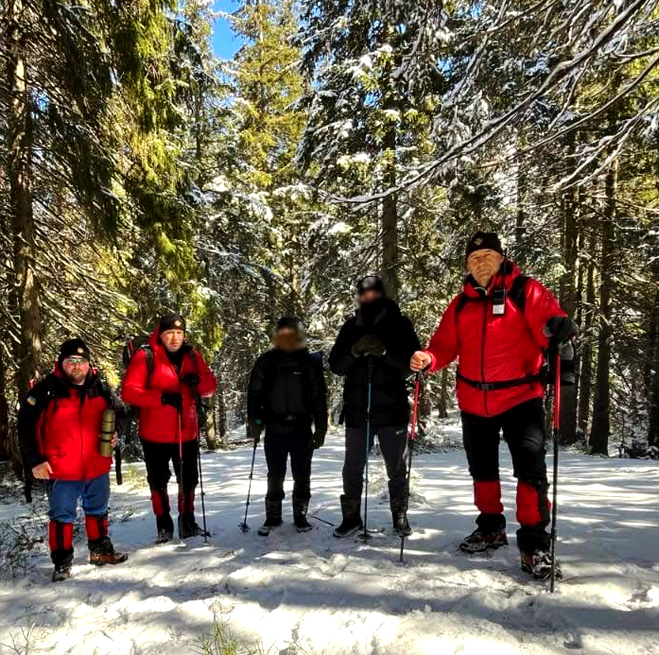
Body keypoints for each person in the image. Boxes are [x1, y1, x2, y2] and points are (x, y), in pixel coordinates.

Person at [410, 231, 576, 580]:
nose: (480, 262)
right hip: (474, 400)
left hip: (521, 397)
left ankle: (534, 546)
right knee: (482, 470)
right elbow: (444, 344)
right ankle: (490, 528)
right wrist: (429, 357)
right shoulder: (460, 304)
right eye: (473, 258)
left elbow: (549, 319)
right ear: (467, 267)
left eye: (487, 255)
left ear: (502, 258)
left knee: (530, 472)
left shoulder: (526, 290)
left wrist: (556, 326)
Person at [17, 338, 129, 582]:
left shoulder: (101, 387)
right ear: (62, 363)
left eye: (81, 361)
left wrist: (117, 433)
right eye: (71, 361)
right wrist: (35, 461)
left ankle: (99, 552)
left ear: (88, 364)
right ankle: (62, 563)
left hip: (96, 465)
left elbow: (121, 414)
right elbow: (25, 427)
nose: (76, 367)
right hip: (61, 468)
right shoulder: (45, 390)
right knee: (61, 517)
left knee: (98, 510)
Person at [328, 275, 422, 539]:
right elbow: (336, 365)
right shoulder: (350, 327)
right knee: (352, 468)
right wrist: (355, 352)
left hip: (392, 411)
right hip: (358, 411)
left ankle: (400, 517)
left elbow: (411, 367)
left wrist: (385, 353)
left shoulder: (400, 324)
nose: (368, 297)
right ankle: (351, 518)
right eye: (364, 293)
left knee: (396, 468)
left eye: (373, 292)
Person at [121, 313, 218, 542]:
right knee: (158, 479)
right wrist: (161, 398)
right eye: (170, 333)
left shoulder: (193, 356)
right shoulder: (146, 356)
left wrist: (197, 381)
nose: (175, 338)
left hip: (187, 431)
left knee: (189, 479)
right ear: (161, 334)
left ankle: (187, 521)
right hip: (154, 433)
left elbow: (210, 386)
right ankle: (163, 524)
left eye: (179, 333)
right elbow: (129, 391)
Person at [246, 317, 330, 535]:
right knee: (275, 475)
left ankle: (300, 516)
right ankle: (272, 517)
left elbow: (320, 397)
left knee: (302, 474)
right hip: (274, 429)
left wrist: (321, 428)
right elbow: (254, 394)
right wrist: (254, 421)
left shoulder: (309, 362)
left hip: (302, 429)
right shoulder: (266, 361)